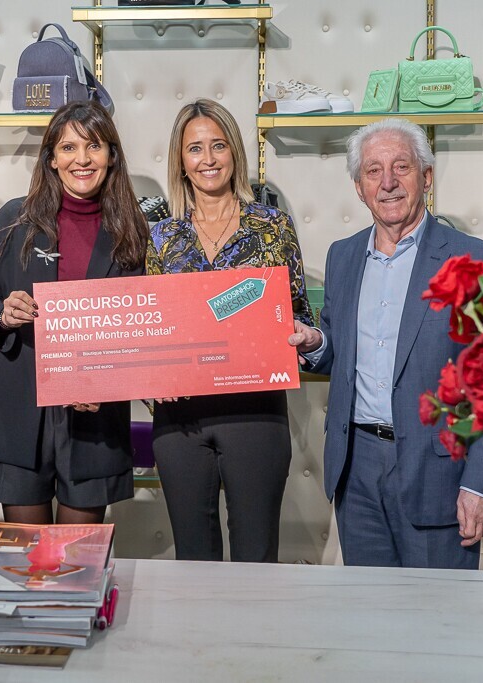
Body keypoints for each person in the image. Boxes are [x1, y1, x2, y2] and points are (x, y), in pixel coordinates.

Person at [288, 118, 483, 569]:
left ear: (426, 177)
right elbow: (340, 352)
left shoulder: (476, 260)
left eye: (401, 167)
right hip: (356, 470)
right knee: (370, 609)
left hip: (439, 474)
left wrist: (481, 484)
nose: (387, 182)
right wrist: (315, 343)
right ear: (359, 187)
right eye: (373, 171)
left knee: (439, 610)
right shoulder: (343, 256)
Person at [147, 99, 313, 563]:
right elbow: (152, 328)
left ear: (235, 152)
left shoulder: (273, 227)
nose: (208, 159)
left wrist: (299, 337)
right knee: (193, 559)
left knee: (256, 557)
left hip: (255, 413)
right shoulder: (161, 237)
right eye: (195, 148)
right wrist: (154, 378)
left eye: (218, 145)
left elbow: (299, 311)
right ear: (181, 160)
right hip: (180, 422)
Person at [0, 100, 148, 526]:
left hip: (94, 416)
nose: (81, 159)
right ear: (51, 158)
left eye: (93, 146)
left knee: (78, 558)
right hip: (19, 405)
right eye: (68, 148)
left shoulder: (132, 231)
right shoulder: (14, 219)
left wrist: (106, 382)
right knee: (27, 555)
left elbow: (140, 328)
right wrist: (4, 314)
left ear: (111, 156)